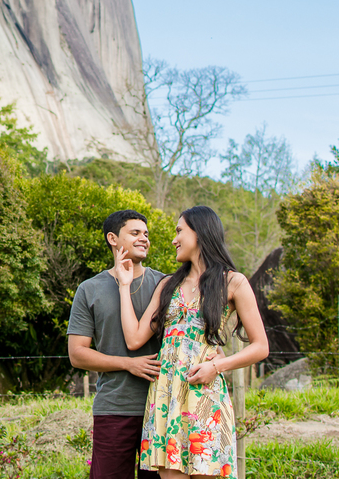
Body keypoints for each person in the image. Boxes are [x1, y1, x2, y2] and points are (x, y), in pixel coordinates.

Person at [114, 205, 268, 479]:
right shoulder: (168, 285)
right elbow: (134, 338)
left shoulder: (233, 282)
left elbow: (260, 346)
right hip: (166, 397)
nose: (174, 239)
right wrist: (124, 286)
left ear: (199, 233)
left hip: (205, 396)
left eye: (179, 231)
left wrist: (218, 367)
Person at [67, 209, 167, 479]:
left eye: (146, 234)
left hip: (162, 409)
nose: (143, 239)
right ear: (113, 238)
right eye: (135, 233)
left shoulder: (165, 285)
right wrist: (127, 364)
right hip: (114, 409)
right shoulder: (90, 289)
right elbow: (77, 355)